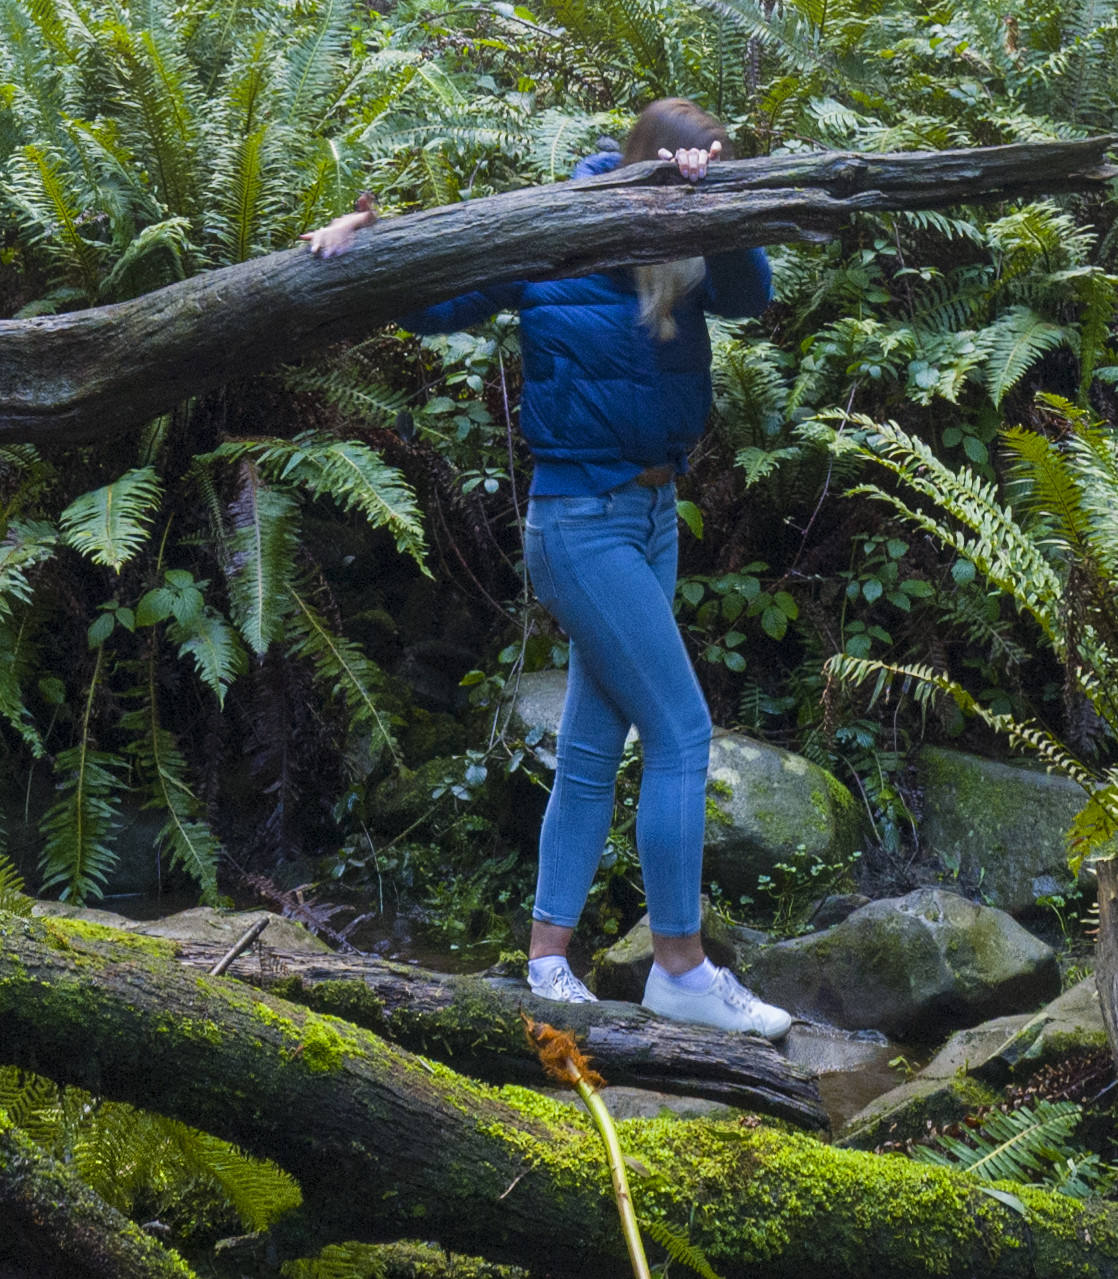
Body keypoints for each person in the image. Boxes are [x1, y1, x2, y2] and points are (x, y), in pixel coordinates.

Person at [312, 96, 796, 1039]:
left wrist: (714, 207)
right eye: (696, 167)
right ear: (648, 164)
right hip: (580, 522)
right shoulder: (555, 238)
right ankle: (679, 968)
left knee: (589, 746)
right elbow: (436, 303)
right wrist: (361, 244)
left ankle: (545, 960)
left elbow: (752, 294)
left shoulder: (688, 250)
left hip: (654, 513)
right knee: (683, 733)